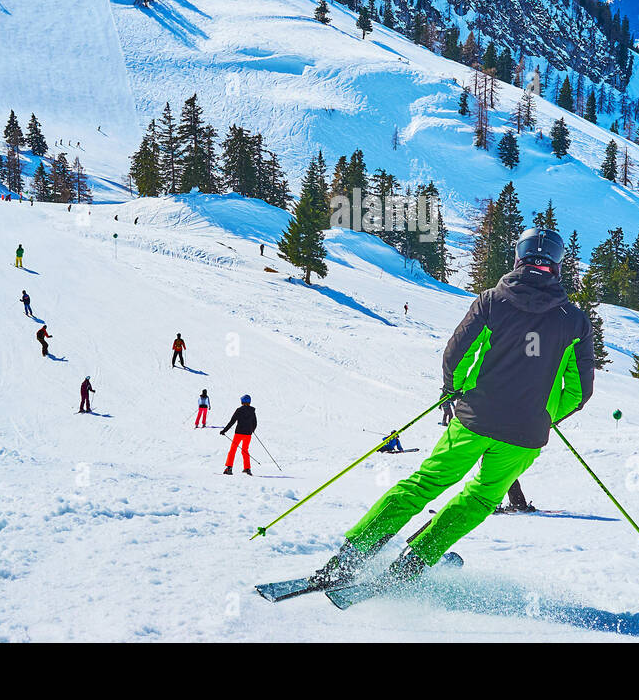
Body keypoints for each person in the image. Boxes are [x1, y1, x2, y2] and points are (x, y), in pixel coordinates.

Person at [309, 226, 595, 588]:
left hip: (475, 419)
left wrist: (453, 393)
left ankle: (350, 559)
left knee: (424, 484)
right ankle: (413, 565)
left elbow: (456, 353)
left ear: (518, 258)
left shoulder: (492, 301)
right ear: (557, 266)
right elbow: (579, 392)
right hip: (525, 435)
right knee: (480, 498)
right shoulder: (574, 320)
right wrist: (545, 416)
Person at [221, 394, 257, 475]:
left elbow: (232, 421)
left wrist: (224, 430)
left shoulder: (239, 410)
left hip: (239, 433)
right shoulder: (252, 411)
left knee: (233, 450)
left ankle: (229, 468)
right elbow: (254, 422)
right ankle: (247, 468)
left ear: (242, 401)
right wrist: (252, 430)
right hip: (248, 434)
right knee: (245, 450)